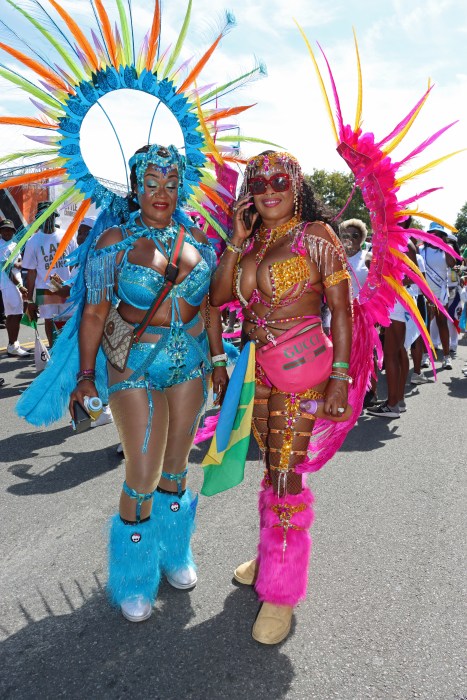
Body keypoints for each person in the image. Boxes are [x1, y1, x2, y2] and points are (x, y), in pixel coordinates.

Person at [68, 143, 228, 622]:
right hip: (134, 363)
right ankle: (133, 576)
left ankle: (173, 553)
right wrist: (83, 376)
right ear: (135, 186)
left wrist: (219, 359)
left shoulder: (197, 236)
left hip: (192, 362)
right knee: (142, 472)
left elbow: (211, 306)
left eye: (171, 184)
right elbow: (95, 312)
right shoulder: (112, 240)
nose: (161, 193)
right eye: (151, 184)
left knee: (177, 468)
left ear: (181, 186)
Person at [210, 151, 352, 644]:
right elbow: (219, 296)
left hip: (302, 368)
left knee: (289, 474)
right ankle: (272, 553)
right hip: (257, 371)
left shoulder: (317, 236)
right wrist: (235, 239)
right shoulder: (251, 242)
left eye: (280, 180)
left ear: (297, 187)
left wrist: (340, 378)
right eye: (259, 181)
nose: (269, 188)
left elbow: (342, 309)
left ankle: (281, 593)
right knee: (271, 464)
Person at [22, 202, 77, 348]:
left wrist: (68, 281)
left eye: (50, 216)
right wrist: (30, 301)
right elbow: (31, 272)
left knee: (67, 321)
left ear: (55, 217)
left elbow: (74, 262)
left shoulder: (66, 236)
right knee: (49, 321)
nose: (47, 220)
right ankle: (53, 353)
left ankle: (65, 352)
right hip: (45, 288)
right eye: (43, 217)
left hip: (65, 287)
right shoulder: (32, 241)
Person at [420, 221, 456, 369]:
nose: (435, 236)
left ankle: (447, 357)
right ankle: (425, 356)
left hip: (441, 293)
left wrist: (445, 247)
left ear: (442, 236)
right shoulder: (421, 250)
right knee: (425, 325)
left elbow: (452, 264)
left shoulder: (446, 249)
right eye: (432, 234)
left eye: (438, 234)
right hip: (425, 292)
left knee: (442, 324)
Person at [0, 218, 30, 357]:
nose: (6, 232)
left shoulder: (13, 244)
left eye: (9, 230)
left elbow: (19, 261)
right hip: (9, 284)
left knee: (15, 314)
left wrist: (19, 264)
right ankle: (13, 345)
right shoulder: (1, 246)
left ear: (13, 231)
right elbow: (6, 270)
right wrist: (19, 286)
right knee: (14, 315)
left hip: (15, 283)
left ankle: (13, 344)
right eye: (4, 229)